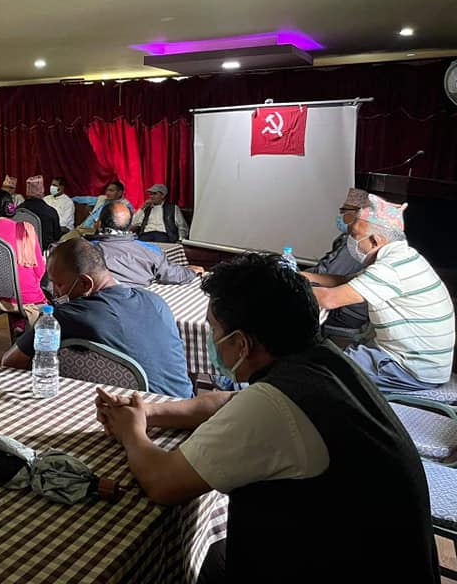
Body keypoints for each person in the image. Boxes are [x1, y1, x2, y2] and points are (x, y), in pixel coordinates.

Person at [95, 252, 438, 583]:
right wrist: (149, 412)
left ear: (241, 344)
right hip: (374, 558)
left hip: (336, 566)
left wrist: (132, 433)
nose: (213, 340)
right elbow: (228, 404)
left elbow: (163, 482)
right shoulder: (323, 361)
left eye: (214, 329)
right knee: (211, 556)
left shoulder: (274, 405)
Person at [3, 238, 193, 398]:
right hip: (186, 409)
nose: (54, 292)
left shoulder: (69, 315)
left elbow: (11, 362)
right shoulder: (155, 301)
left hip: (140, 417)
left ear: (85, 283)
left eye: (58, 284)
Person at [302, 194, 454, 393]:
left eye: (354, 235)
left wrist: (283, 286)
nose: (351, 241)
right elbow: (346, 281)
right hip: (422, 363)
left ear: (374, 241)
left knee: (313, 372)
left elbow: (329, 299)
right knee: (323, 360)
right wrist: (302, 276)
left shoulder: (390, 268)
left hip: (409, 368)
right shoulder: (402, 257)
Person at [307, 187, 370, 338]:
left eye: (344, 211)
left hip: (345, 312)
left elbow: (329, 281)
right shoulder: (345, 239)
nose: (341, 215)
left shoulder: (355, 246)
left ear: (357, 215)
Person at [91, 203, 203, 287]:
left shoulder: (85, 250)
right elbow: (171, 274)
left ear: (99, 223)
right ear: (129, 226)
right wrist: (191, 271)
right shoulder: (151, 250)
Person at [0, 189, 47, 319]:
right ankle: (20, 324)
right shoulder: (26, 229)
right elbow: (40, 269)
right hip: (24, 299)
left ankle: (18, 324)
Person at [17, 175, 62, 250]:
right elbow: (57, 237)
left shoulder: (18, 210)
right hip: (44, 252)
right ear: (42, 192)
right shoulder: (51, 212)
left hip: (21, 252)